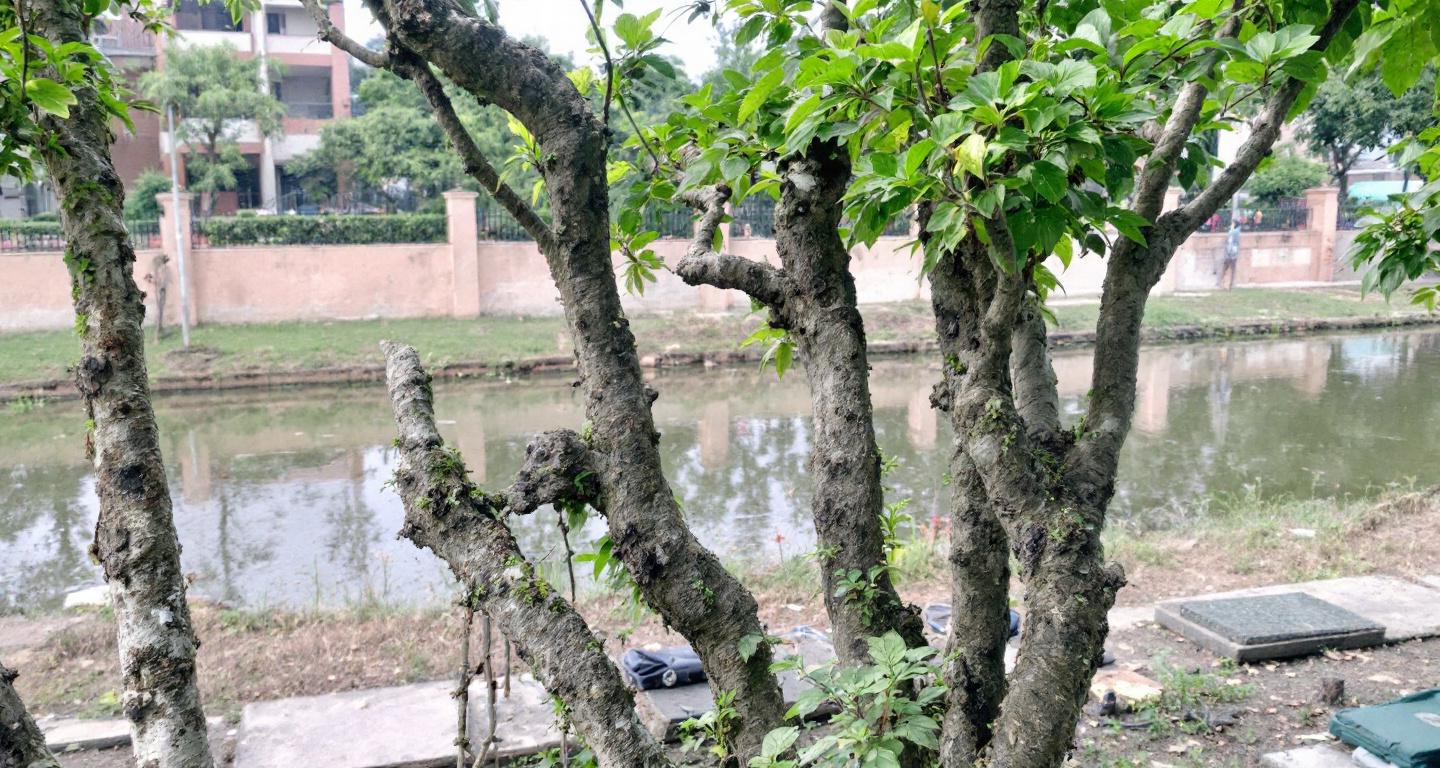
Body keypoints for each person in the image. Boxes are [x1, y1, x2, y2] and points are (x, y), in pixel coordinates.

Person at [1220, 219, 1241, 289]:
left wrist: (1228, 253)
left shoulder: (1232, 232)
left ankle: (1223, 284)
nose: (1231, 225)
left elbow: (1230, 243)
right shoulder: (1237, 232)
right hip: (1234, 254)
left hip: (1230, 254)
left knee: (1225, 269)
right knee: (1232, 270)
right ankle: (1229, 285)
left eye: (1232, 224)